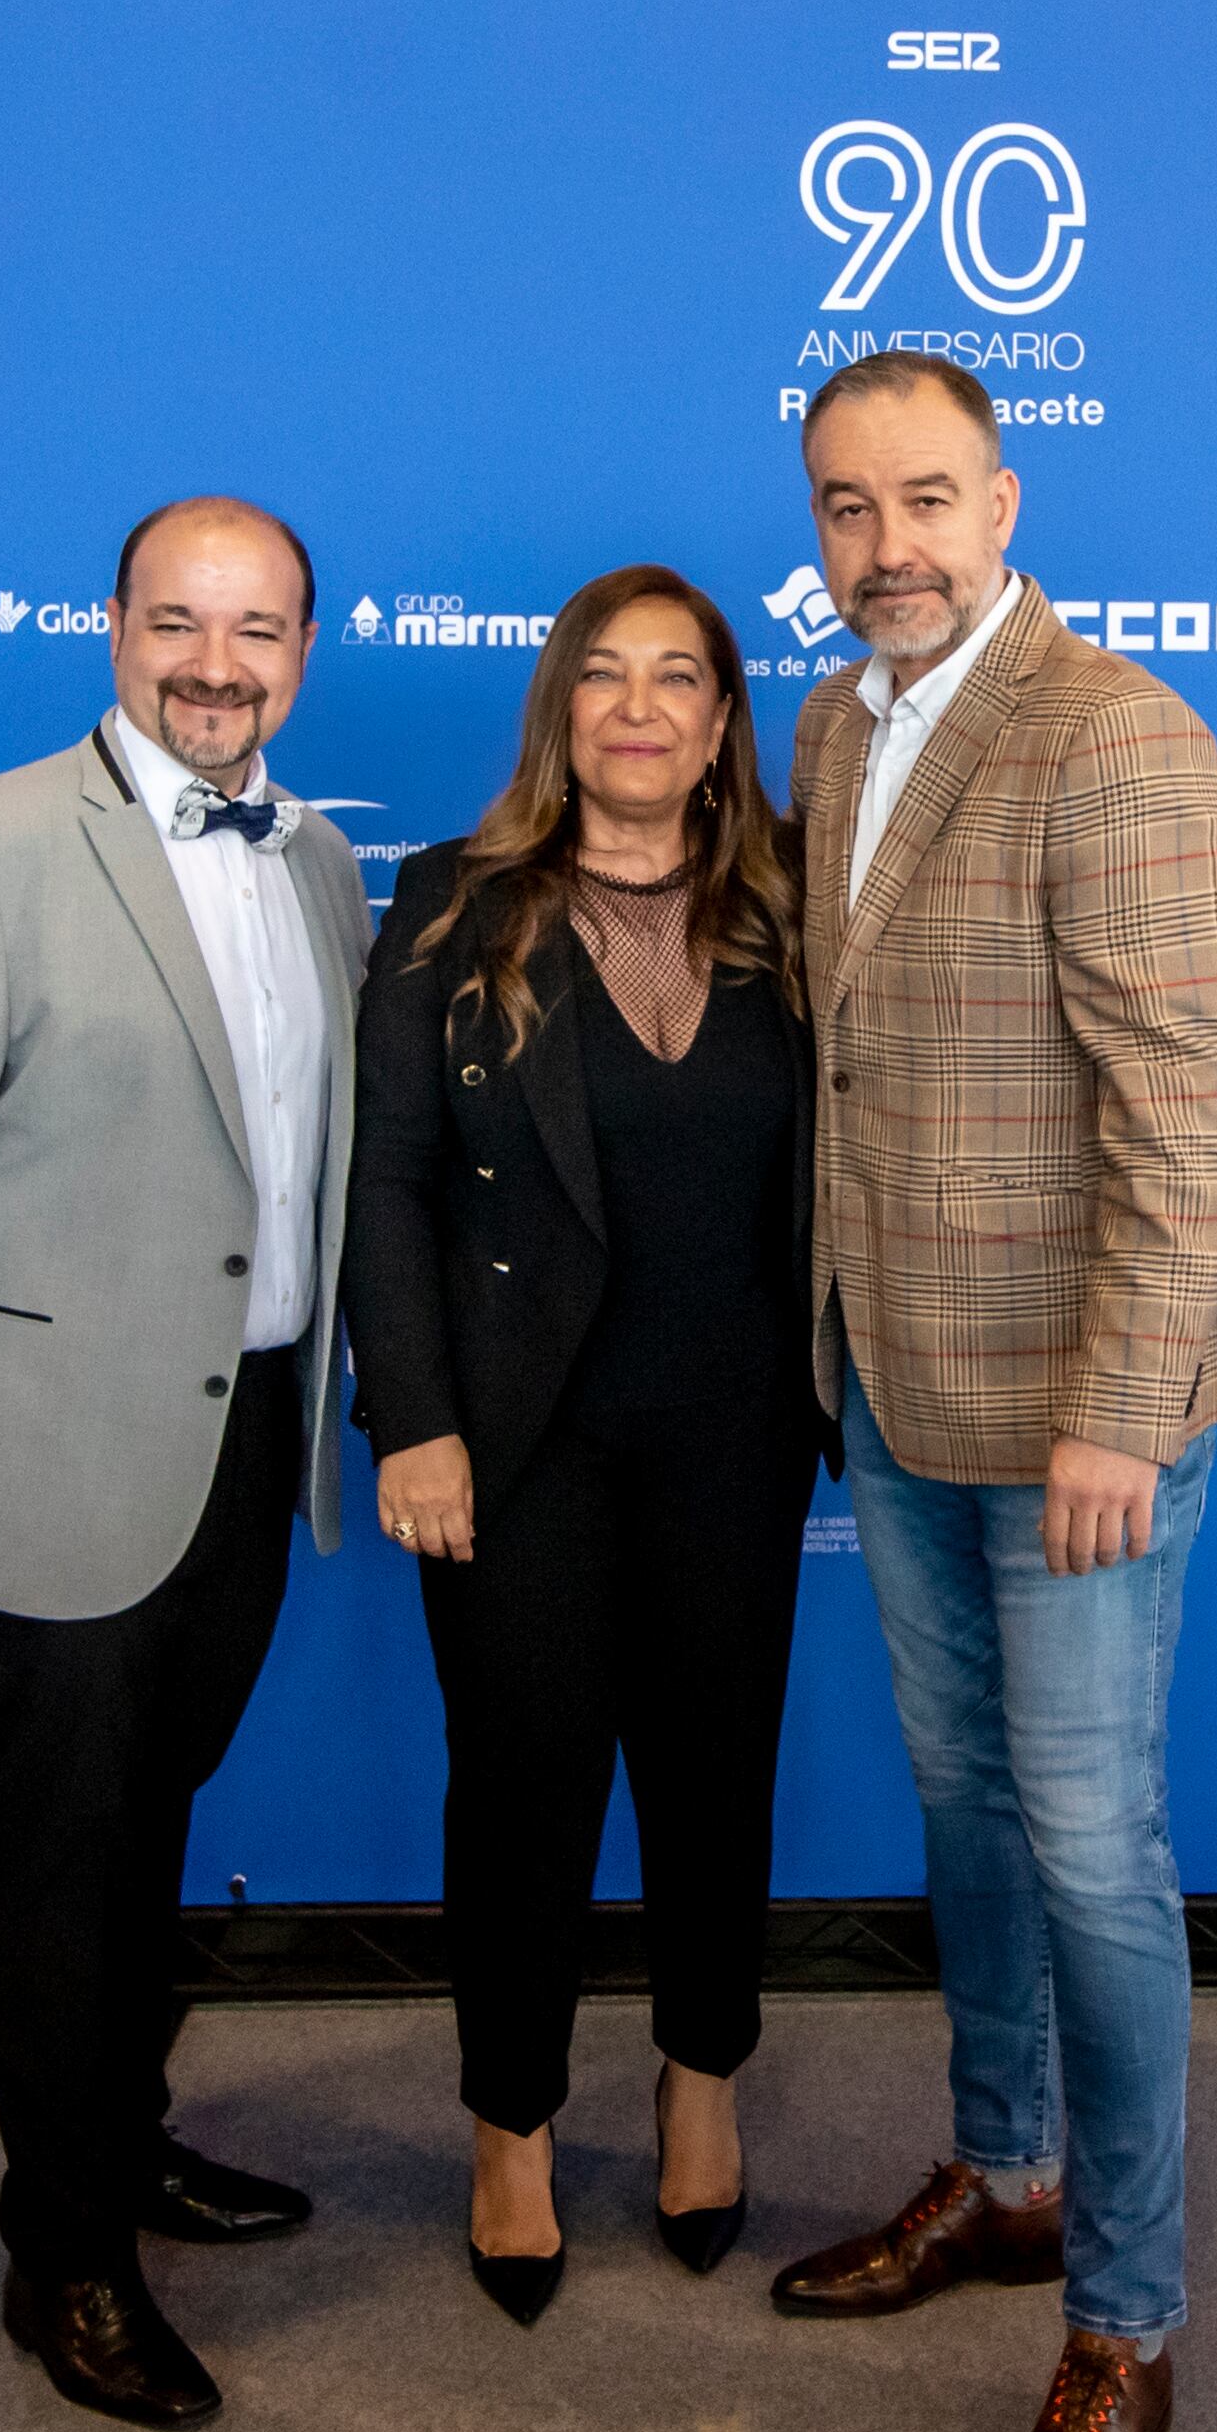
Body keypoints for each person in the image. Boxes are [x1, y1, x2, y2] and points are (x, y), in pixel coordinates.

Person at [759, 353, 1217, 2432]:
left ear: (1006, 494)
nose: (891, 545)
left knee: (1087, 1845)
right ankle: (1006, 2160)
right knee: (963, 1807)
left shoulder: (1116, 730)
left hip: (1077, 1418)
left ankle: (1127, 2319)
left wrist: (1119, 1409)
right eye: (849, 508)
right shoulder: (832, 721)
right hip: (888, 1382)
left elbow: (1182, 1103)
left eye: (929, 498)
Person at [0, 495, 371, 2432]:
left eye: (259, 628)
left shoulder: (319, 863)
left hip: (254, 1433)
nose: (217, 662)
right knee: (60, 1847)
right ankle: (63, 2254)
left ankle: (120, 2143)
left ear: (304, 648)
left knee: (148, 1825)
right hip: (52, 1441)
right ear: (111, 628)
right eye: (179, 621)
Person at [343, 564, 829, 2329]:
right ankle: (512, 2130)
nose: (638, 706)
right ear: (559, 709)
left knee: (716, 1782)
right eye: (602, 675)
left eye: (677, 678)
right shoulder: (447, 904)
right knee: (524, 1797)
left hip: (737, 1437)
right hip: (515, 1447)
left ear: (719, 723)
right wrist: (414, 1421)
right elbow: (383, 1184)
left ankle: (701, 2086)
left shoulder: (797, 911)